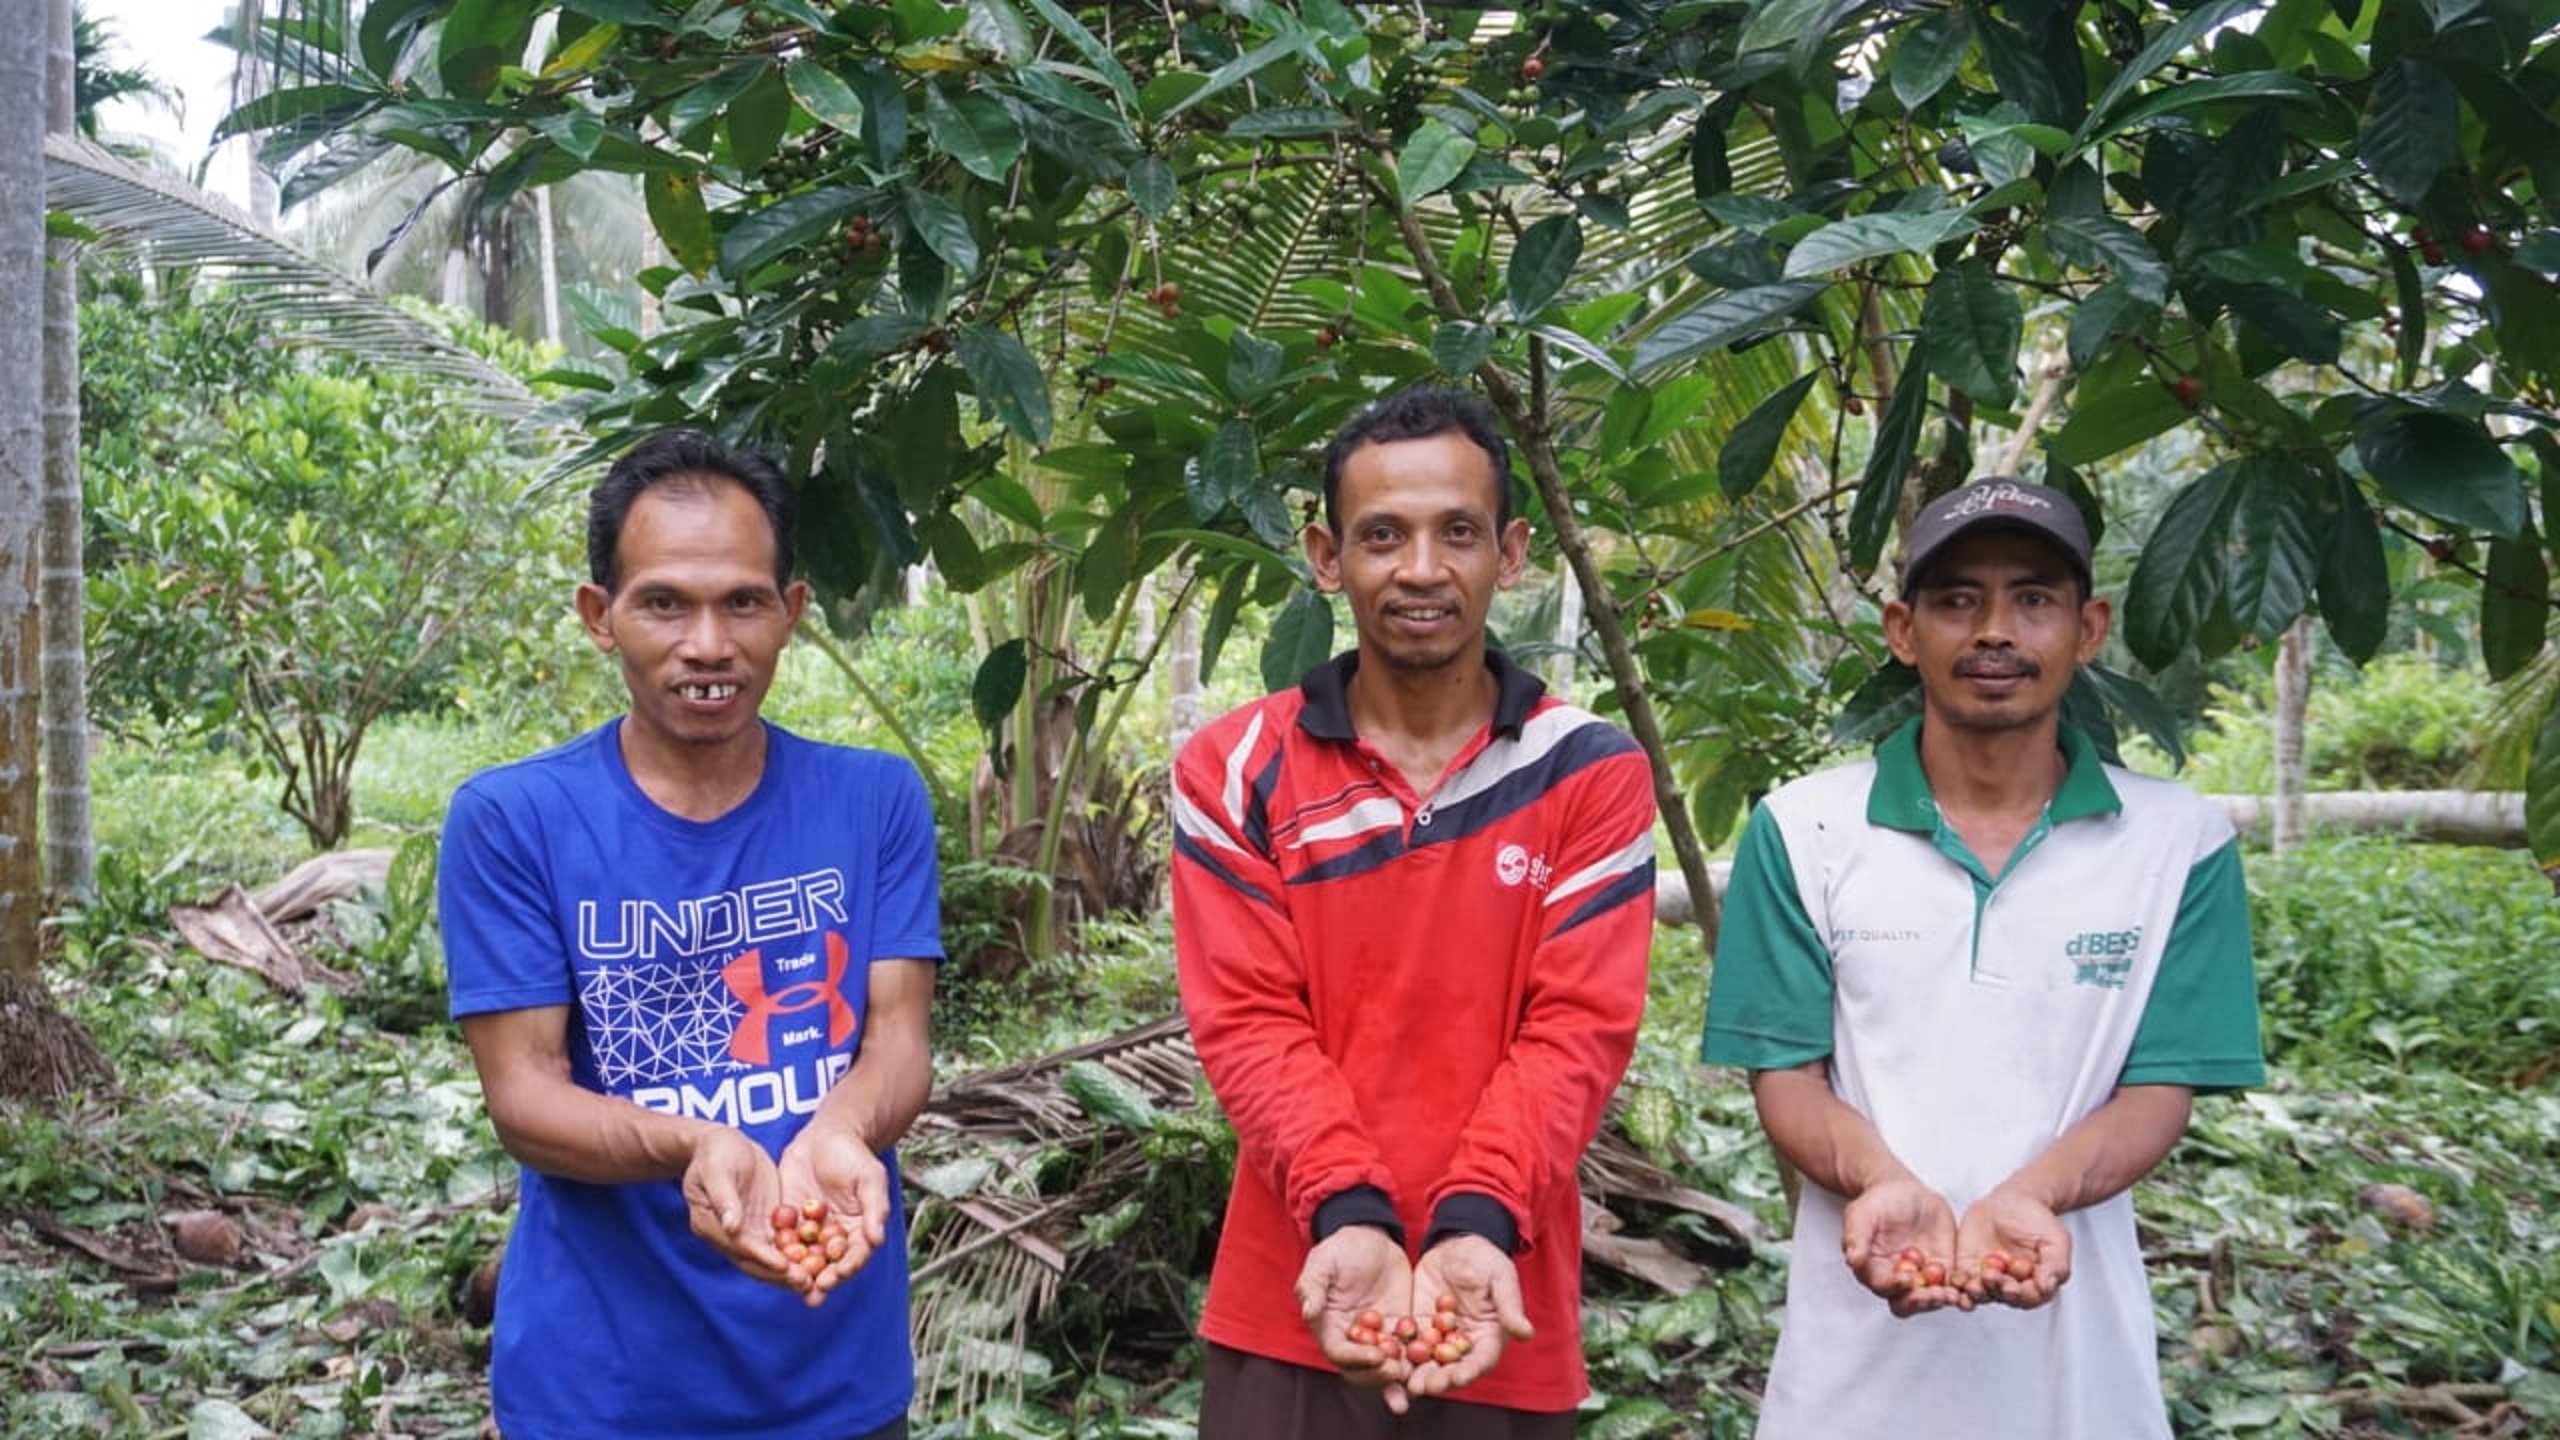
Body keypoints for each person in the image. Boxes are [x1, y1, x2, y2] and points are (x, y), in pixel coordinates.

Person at [1699, 477, 2266, 1439]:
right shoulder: (1804, 829)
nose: (1995, 630)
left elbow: (2158, 1091)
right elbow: (1787, 1077)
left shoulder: (2180, 844)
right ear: (1901, 629)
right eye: (1957, 598)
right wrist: (1883, 1180)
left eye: (2033, 598)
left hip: (2082, 1377)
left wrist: (2034, 1194)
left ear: (2088, 630)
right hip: (1849, 1371)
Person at [1171, 386, 1659, 1438]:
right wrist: (1351, 1214)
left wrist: (1475, 1221)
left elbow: (1576, 1031)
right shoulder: (1233, 769)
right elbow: (1249, 1026)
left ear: (1511, 552)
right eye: (1382, 535)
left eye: (1458, 533)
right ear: (1325, 555)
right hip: (1292, 1294)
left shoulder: (1589, 771)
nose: (1423, 569)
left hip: (1500, 1292)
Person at [437, 430, 942, 1440]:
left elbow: (896, 1042)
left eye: (742, 602)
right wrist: (694, 1144)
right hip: (601, 1394)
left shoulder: (873, 800)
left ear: (791, 613)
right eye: (664, 602)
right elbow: (526, 1098)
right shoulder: (513, 820)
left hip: (833, 1375)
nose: (707, 644)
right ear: (601, 617)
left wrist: (838, 1130)